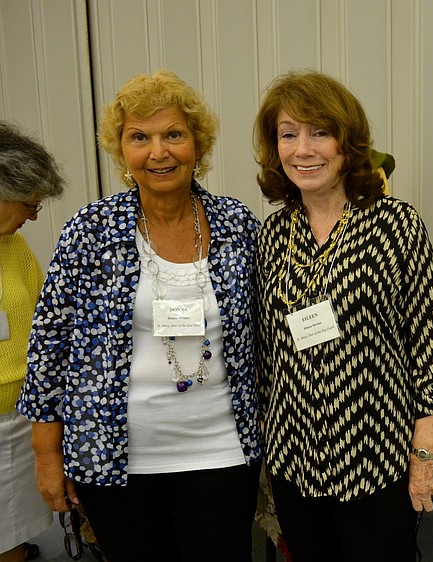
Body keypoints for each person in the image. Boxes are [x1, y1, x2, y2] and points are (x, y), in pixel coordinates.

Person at [16, 70, 262, 562]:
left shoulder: (238, 224)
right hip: (114, 456)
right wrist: (47, 455)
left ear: (198, 143)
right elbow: (48, 346)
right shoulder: (91, 229)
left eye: (173, 134)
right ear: (122, 151)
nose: (159, 151)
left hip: (221, 447)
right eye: (140, 138)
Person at [254, 70, 433, 561]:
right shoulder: (271, 234)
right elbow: (265, 351)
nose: (303, 149)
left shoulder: (396, 226)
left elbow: (429, 345)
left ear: (348, 142)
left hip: (375, 457)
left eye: (320, 132)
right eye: (288, 134)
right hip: (294, 459)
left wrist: (425, 452)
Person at [0, 122, 65, 562]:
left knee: (12, 527)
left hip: (17, 421)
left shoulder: (15, 248)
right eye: (29, 203)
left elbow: (47, 327)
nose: (33, 216)